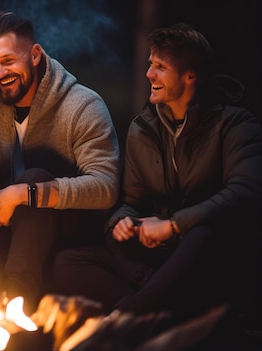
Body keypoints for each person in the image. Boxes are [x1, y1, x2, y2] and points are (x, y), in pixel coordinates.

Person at [51, 23, 262, 322]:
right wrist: (122, 222)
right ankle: (158, 305)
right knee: (68, 261)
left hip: (210, 255)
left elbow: (246, 191)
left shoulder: (235, 124)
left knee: (203, 233)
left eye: (161, 66)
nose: (150, 74)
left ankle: (127, 314)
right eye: (151, 64)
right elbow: (131, 199)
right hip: (161, 258)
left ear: (190, 75)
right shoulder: (144, 128)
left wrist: (174, 225)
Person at [0, 11, 121, 313]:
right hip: (4, 233)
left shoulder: (82, 106)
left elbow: (106, 187)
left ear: (35, 55)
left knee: (33, 177)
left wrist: (25, 194)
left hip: (71, 234)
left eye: (9, 61)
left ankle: (14, 305)